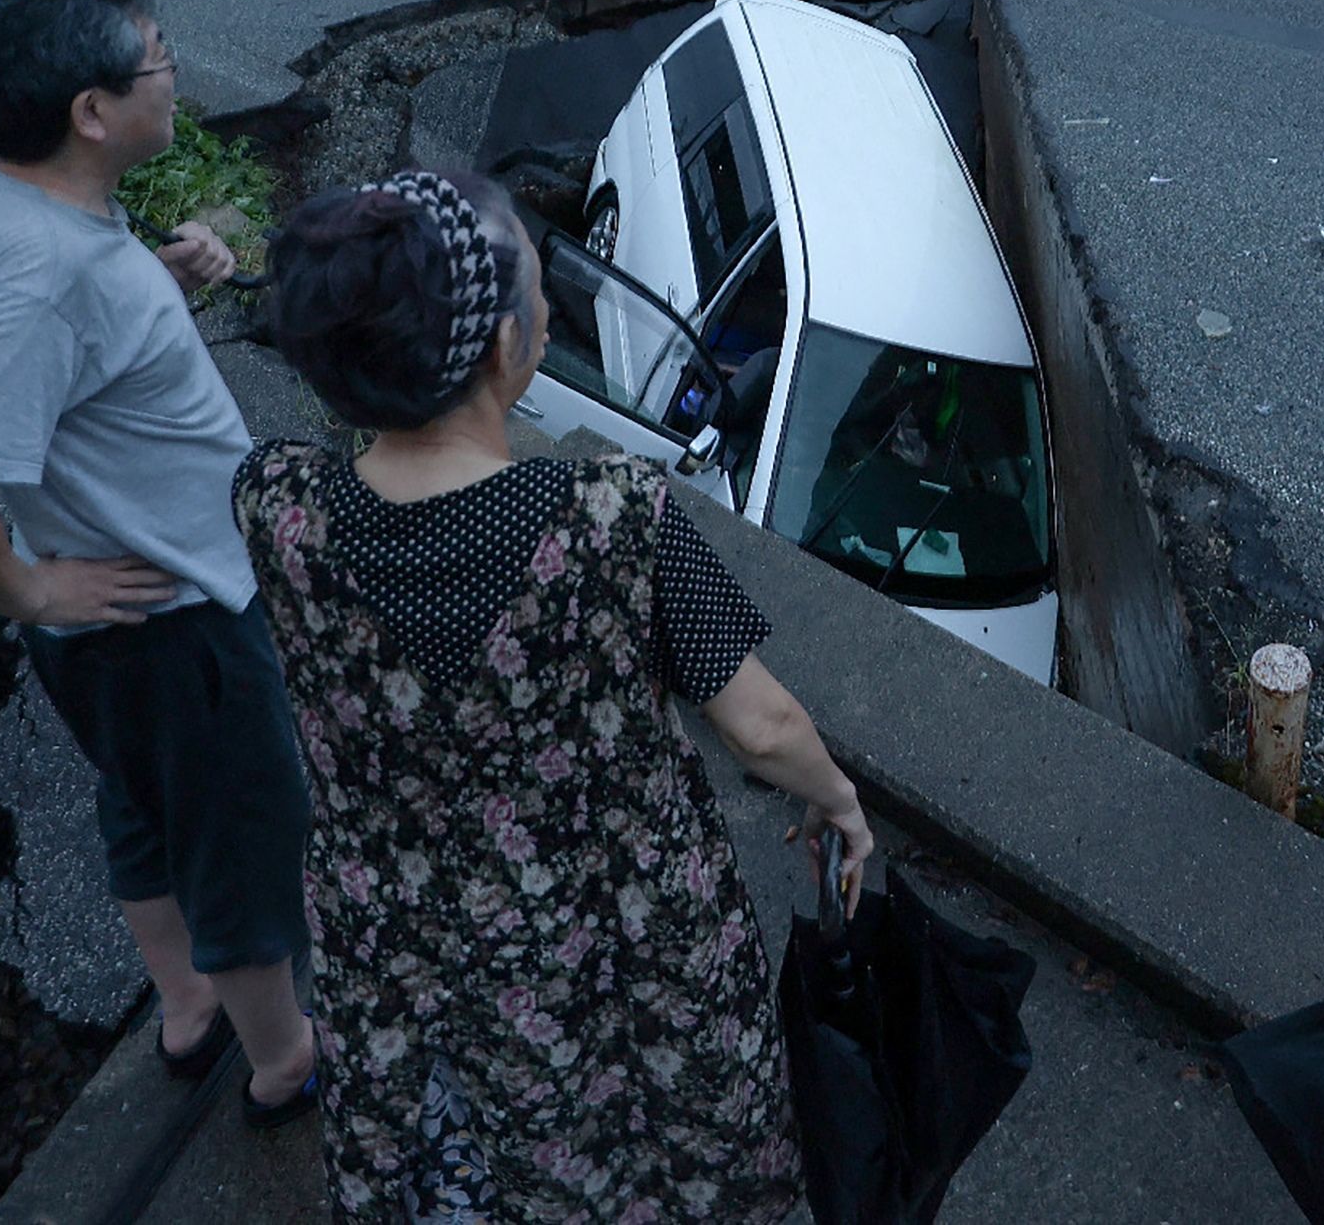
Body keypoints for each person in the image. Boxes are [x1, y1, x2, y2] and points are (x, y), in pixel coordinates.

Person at [235, 167, 872, 1224]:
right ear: (502, 351)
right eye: (535, 297)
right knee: (672, 1154)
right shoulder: (613, 518)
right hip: (622, 936)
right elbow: (762, 725)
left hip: (397, 935)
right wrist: (838, 801)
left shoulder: (276, 506)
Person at [0, 0, 320, 1124]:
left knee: (142, 809)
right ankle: (281, 1061)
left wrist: (158, 281)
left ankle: (186, 1010)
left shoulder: (0, 191)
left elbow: (58, 345)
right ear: (92, 111)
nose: (173, 74)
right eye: (159, 59)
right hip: (167, 616)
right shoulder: (49, 270)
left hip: (116, 624)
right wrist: (31, 592)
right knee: (238, 834)